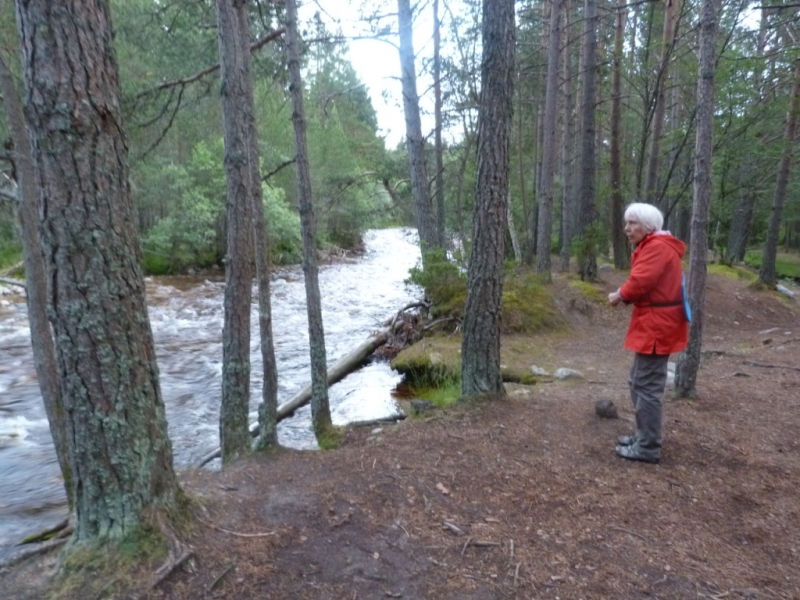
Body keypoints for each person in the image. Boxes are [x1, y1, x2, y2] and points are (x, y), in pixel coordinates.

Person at [607, 202, 689, 464]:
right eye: (626, 223)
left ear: (648, 225)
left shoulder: (656, 248)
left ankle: (648, 446)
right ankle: (643, 435)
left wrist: (619, 295)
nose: (626, 228)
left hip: (657, 324)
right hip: (653, 321)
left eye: (632, 223)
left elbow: (641, 280)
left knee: (647, 386)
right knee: (638, 380)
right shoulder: (654, 246)